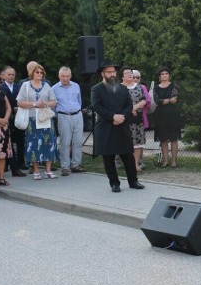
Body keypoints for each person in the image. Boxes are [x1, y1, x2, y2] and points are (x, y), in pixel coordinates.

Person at [90, 59, 144, 192]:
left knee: (128, 155)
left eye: (113, 71)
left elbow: (129, 105)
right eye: (109, 72)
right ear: (103, 74)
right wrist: (113, 117)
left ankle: (133, 181)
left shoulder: (123, 88)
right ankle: (114, 183)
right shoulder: (96, 89)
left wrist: (122, 117)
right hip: (106, 127)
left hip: (122, 125)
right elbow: (97, 106)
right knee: (108, 157)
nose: (112, 74)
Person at [16, 63, 59, 179]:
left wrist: (45, 103)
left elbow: (54, 101)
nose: (40, 74)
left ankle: (48, 170)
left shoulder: (47, 86)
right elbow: (19, 102)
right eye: (37, 72)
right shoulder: (25, 85)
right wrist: (35, 104)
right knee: (34, 144)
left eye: (41, 72)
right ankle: (36, 171)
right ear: (32, 73)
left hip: (45, 118)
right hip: (32, 119)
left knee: (49, 142)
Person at [52, 66, 85, 176]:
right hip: (63, 116)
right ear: (59, 76)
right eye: (63, 76)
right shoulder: (54, 88)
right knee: (65, 142)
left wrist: (78, 111)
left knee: (78, 141)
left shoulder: (76, 86)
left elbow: (79, 101)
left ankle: (76, 164)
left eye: (67, 76)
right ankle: (65, 167)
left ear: (70, 76)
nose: (65, 78)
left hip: (77, 115)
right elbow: (53, 106)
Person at [0, 66, 26, 177]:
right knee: (6, 142)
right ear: (3, 76)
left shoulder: (19, 86)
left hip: (18, 117)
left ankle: (20, 162)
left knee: (20, 141)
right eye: (9, 74)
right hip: (6, 117)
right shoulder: (0, 87)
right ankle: (6, 165)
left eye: (13, 74)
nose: (11, 76)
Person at [121, 67, 149, 173]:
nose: (129, 74)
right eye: (126, 73)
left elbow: (144, 101)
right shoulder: (119, 88)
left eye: (130, 73)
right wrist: (130, 109)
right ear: (122, 76)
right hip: (125, 119)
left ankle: (136, 164)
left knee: (138, 143)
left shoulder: (139, 87)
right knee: (127, 143)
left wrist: (134, 108)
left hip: (137, 118)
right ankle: (128, 165)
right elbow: (118, 103)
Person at [153, 67, 181, 167]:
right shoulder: (156, 88)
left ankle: (174, 161)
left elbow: (175, 99)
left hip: (173, 113)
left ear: (169, 75)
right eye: (162, 74)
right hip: (160, 115)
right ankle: (165, 160)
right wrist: (168, 100)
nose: (164, 75)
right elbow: (157, 101)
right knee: (163, 139)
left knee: (174, 138)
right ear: (159, 76)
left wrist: (164, 101)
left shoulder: (175, 86)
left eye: (166, 73)